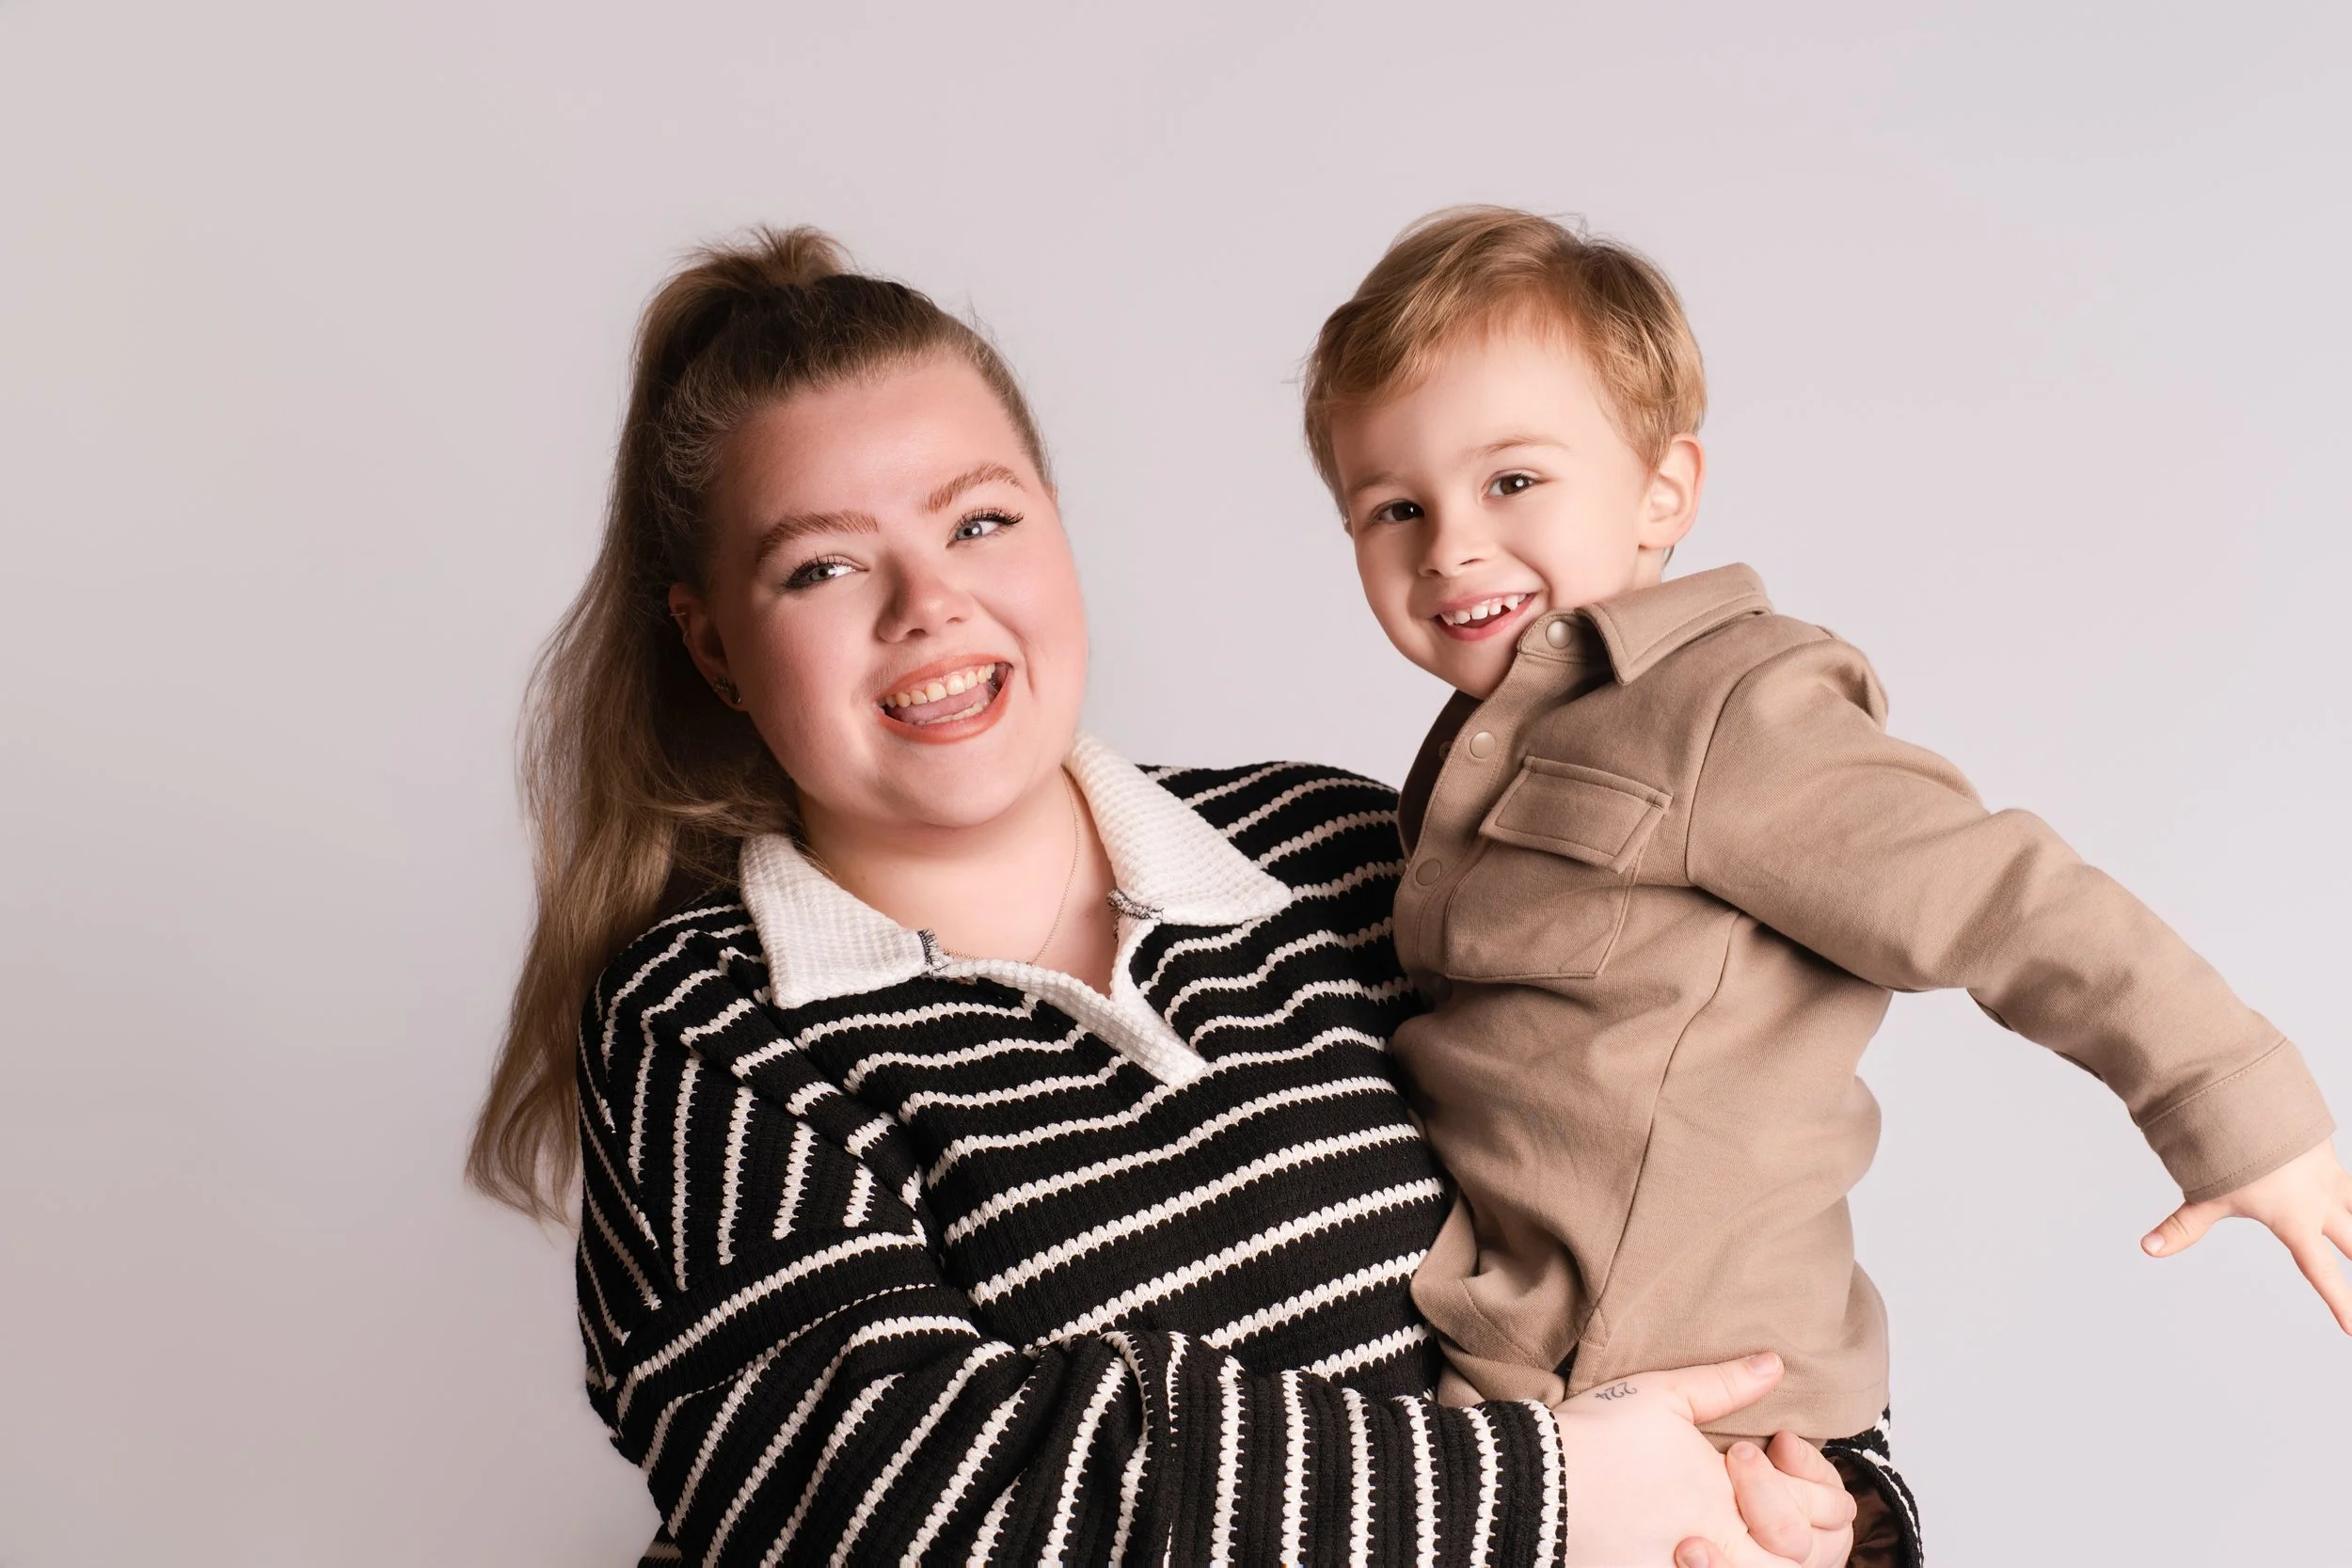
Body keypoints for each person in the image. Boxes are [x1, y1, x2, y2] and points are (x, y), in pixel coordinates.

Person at [467, 224, 1865, 1565]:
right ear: (714, 645)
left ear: (1058, 531)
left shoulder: (1351, 852)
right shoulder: (701, 1021)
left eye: (980, 521)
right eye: (822, 566)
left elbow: (1679, 1185)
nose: (927, 606)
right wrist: (1541, 1496)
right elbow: (881, 1490)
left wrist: (1813, 1503)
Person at [1301, 204, 2352, 1567]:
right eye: (1394, 508)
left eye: (1512, 481)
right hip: (1529, 1379)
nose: (1448, 544)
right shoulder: (1477, 750)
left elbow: (2006, 896)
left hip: (1695, 1394)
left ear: (1664, 491)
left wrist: (2241, 1115)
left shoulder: (1732, 708)